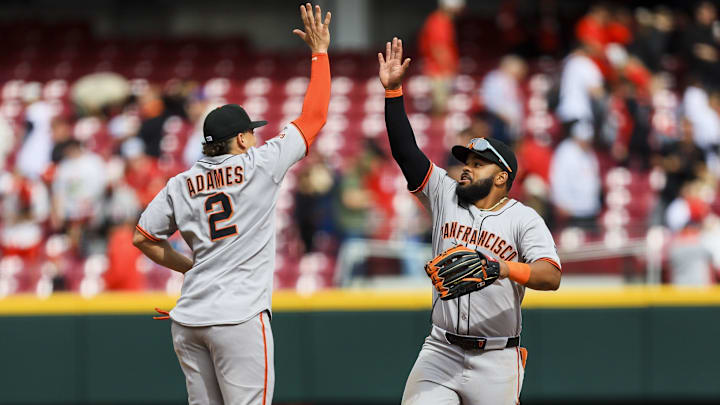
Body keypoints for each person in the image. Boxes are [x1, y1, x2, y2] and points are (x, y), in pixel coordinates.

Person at [132, 4, 331, 404]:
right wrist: (319, 53)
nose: (255, 139)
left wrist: (190, 266)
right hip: (238, 317)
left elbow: (143, 238)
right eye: (251, 134)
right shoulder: (259, 165)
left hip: (189, 320)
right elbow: (315, 116)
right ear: (240, 140)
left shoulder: (181, 183)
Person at [379, 37, 561, 405]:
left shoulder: (523, 219)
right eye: (467, 161)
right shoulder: (445, 195)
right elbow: (405, 151)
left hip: (497, 358)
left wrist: (504, 268)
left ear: (501, 177)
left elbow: (551, 275)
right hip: (440, 349)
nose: (467, 168)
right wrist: (394, 91)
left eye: (479, 164)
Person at [418, 0, 464, 115]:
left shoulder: (445, 21)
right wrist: (449, 69)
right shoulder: (438, 21)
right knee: (440, 108)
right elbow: (439, 49)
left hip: (441, 69)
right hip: (439, 70)